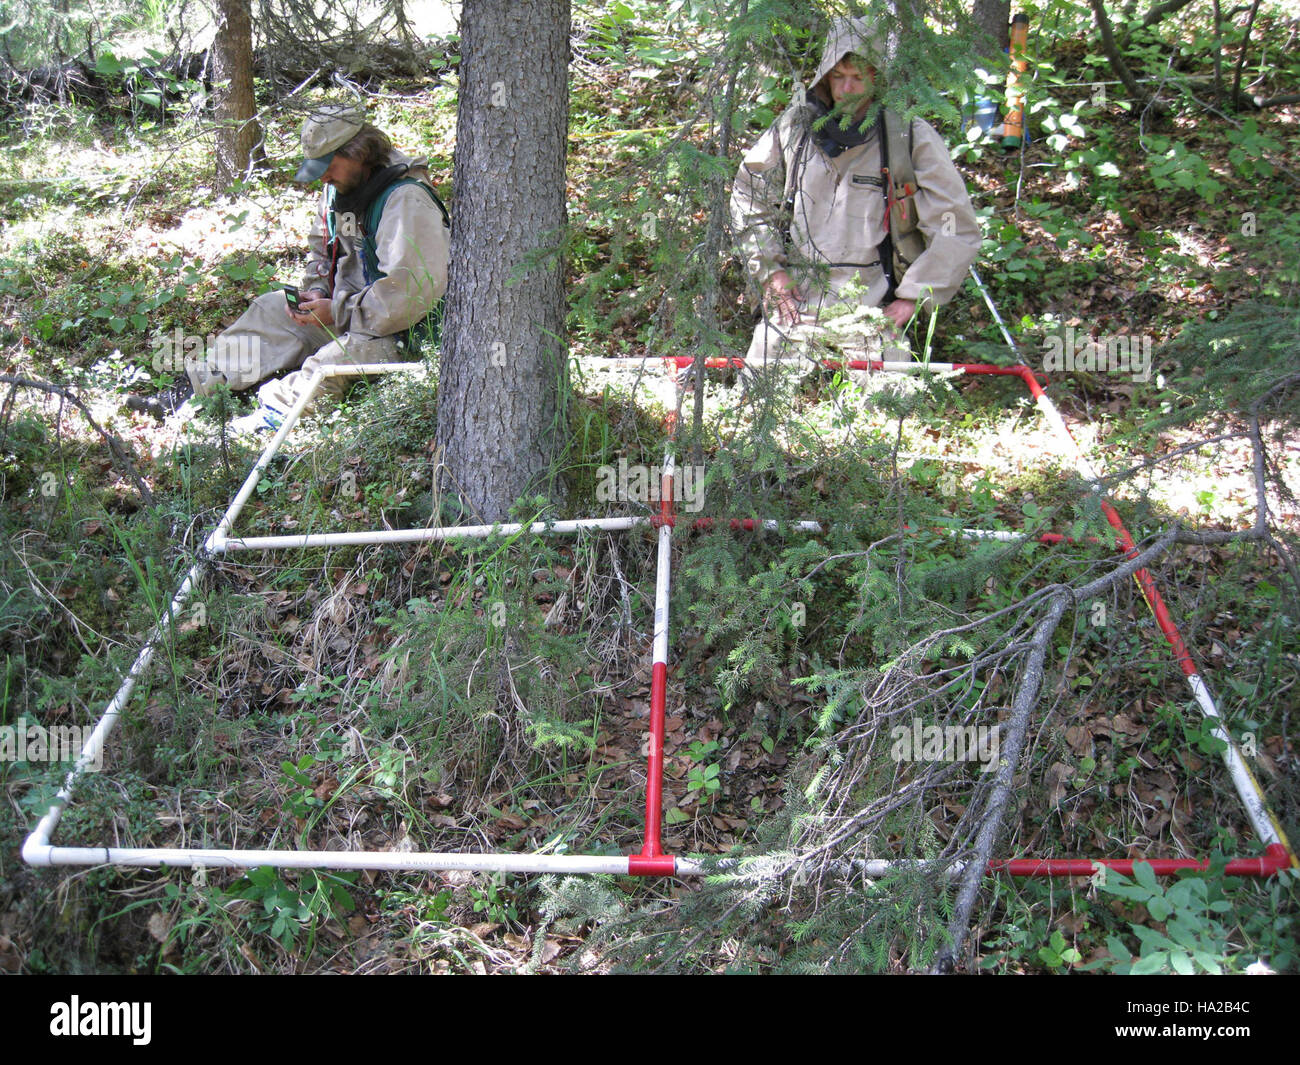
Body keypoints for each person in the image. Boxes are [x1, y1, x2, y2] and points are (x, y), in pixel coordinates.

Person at [129, 104, 450, 431]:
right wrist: (316, 291)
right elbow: (321, 251)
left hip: (404, 334)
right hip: (349, 312)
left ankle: (266, 423)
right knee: (271, 309)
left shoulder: (405, 199)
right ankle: (196, 391)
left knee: (333, 362)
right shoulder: (342, 186)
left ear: (360, 152)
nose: (323, 176)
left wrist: (337, 311)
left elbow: (409, 298)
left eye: (329, 165)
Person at [730, 17, 980, 374]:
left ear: (876, 80)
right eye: (838, 76)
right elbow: (747, 194)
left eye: (858, 77)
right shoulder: (794, 128)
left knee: (888, 411)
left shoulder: (908, 136)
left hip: (872, 305)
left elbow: (955, 224)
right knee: (756, 401)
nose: (847, 88)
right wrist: (772, 272)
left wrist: (914, 296)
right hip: (796, 301)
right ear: (824, 79)